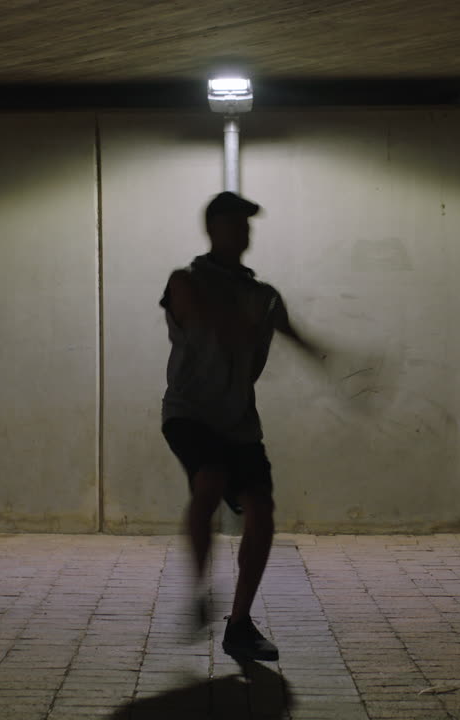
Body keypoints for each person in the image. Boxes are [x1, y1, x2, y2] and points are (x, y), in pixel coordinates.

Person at [160, 191, 324, 662]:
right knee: (210, 479)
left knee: (262, 513)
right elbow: (208, 318)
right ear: (211, 228)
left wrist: (330, 358)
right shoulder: (185, 281)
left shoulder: (262, 294)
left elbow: (293, 334)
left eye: (246, 224)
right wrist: (248, 312)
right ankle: (199, 591)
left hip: (238, 421)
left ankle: (239, 624)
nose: (243, 231)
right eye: (233, 222)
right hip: (190, 412)